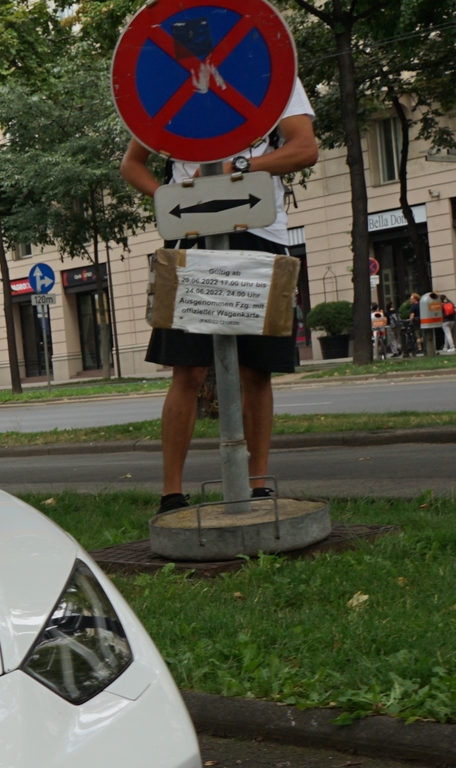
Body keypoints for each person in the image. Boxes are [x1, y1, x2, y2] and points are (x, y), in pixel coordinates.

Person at [121, 81, 320, 513]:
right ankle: (171, 494)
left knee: (257, 372)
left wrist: (240, 164)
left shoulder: (271, 73)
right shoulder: (168, 87)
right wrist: (173, 200)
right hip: (192, 243)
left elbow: (305, 148)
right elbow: (132, 164)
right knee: (187, 373)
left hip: (260, 235)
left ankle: (259, 485)